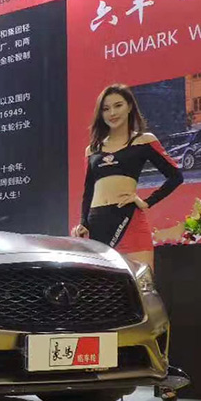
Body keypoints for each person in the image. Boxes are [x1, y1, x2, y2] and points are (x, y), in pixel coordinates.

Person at [71, 83, 184, 269]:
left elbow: (175, 176)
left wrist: (147, 202)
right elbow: (88, 190)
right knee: (99, 284)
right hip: (96, 223)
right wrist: (83, 222)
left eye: (118, 105)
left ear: (129, 106)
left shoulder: (144, 140)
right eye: (106, 109)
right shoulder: (92, 149)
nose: (112, 113)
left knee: (141, 280)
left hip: (129, 219)